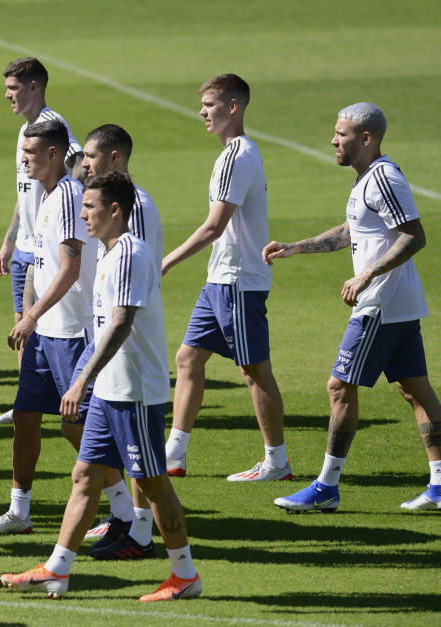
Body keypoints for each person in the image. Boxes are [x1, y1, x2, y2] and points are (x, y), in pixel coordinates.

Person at [0, 171, 201, 602]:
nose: (82, 214)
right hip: (111, 390)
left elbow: (122, 323)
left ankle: (185, 575)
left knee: (151, 481)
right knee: (85, 476)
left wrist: (81, 379)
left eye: (90, 207)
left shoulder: (129, 254)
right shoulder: (108, 253)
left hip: (134, 391)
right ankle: (57, 570)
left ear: (114, 210)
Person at [267, 103, 441, 512]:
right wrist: (297, 247)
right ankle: (439, 485)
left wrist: (366, 277)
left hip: (380, 304)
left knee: (339, 387)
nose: (333, 140)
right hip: (399, 303)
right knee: (414, 389)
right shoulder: (367, 180)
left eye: (341, 134)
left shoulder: (384, 179)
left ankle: (326, 487)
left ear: (366, 138)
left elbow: (414, 236)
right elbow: (353, 231)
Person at [161, 74, 290, 482]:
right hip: (220, 279)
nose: (202, 111)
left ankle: (277, 463)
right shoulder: (235, 154)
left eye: (210, 104)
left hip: (238, 282)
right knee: (188, 358)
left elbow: (215, 227)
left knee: (254, 370)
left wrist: (165, 262)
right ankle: (174, 454)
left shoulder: (238, 155)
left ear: (233, 107)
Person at [0, 120, 95, 536]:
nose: (22, 158)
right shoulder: (43, 196)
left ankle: (125, 507)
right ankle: (19, 511)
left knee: (75, 425)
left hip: (69, 330)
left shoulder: (66, 198)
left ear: (53, 155)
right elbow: (35, 262)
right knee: (26, 416)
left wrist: (31, 316)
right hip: (46, 333)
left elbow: (71, 267)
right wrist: (28, 312)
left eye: (30, 152)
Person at [71, 124, 163, 556]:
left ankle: (140, 530)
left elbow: (132, 287)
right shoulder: (119, 207)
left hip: (126, 344)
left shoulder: (134, 212)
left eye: (90, 156)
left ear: (113, 158)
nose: (84, 163)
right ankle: (130, 522)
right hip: (108, 330)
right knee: (93, 443)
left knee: (144, 464)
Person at [0, 57, 82, 425]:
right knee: (21, 327)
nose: (7, 95)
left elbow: (78, 171)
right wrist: (9, 240)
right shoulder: (26, 131)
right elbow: (25, 189)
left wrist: (66, 209)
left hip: (44, 246)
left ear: (34, 88)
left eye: (13, 89)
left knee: (37, 324)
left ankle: (62, 401)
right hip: (23, 245)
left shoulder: (54, 130)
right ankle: (26, 402)